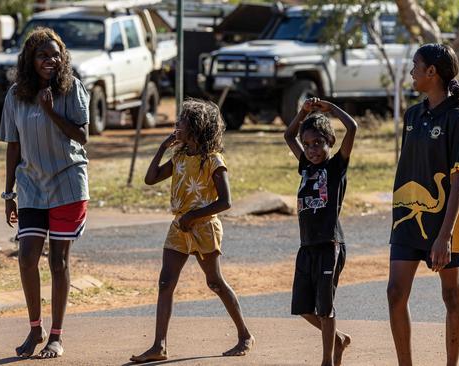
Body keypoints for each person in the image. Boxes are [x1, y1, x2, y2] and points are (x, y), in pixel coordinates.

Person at [130, 99, 254, 363]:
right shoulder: (179, 156)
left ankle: (245, 335)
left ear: (196, 127)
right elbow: (150, 179)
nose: (176, 125)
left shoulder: (212, 160)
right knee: (165, 282)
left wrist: (193, 216)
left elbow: (226, 201)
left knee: (215, 282)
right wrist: (163, 147)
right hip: (179, 226)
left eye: (181, 122)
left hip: (204, 226)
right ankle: (159, 346)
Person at [0, 27, 90, 359]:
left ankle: (56, 335)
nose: (51, 60)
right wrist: (8, 193)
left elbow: (82, 136)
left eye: (56, 55)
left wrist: (51, 111)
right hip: (31, 186)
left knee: (57, 260)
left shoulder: (72, 89)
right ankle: (35, 327)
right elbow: (13, 145)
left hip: (67, 182)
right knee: (26, 258)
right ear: (29, 60)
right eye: (43, 55)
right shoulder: (15, 96)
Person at [387, 43, 459, 366]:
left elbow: (458, 182)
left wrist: (443, 237)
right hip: (408, 218)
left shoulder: (458, 120)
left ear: (431, 72)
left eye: (415, 65)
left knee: (451, 295)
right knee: (395, 293)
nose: (411, 72)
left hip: (446, 220)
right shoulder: (413, 115)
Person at [283, 97, 357, 366]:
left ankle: (328, 359)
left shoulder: (336, 167)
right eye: (308, 145)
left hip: (330, 244)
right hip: (307, 245)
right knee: (303, 307)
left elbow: (353, 128)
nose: (312, 149)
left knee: (325, 307)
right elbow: (288, 134)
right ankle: (337, 339)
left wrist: (330, 108)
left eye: (318, 143)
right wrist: (302, 112)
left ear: (330, 143)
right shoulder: (305, 166)